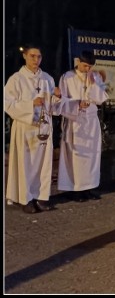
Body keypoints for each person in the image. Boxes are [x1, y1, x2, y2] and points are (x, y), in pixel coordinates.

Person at [4, 44, 63, 213]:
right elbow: (7, 103)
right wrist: (30, 104)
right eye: (32, 56)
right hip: (25, 127)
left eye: (38, 57)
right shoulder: (16, 79)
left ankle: (42, 197)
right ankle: (26, 199)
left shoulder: (47, 79)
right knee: (26, 164)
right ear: (25, 56)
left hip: (43, 127)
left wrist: (57, 97)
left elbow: (54, 108)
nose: (36, 60)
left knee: (43, 164)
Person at [57, 50, 109, 202]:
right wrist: (77, 104)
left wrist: (93, 84)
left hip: (91, 121)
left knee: (92, 155)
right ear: (78, 62)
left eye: (90, 66)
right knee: (75, 157)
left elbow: (101, 99)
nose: (87, 69)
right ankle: (75, 189)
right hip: (75, 121)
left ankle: (89, 187)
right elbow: (61, 101)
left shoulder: (96, 77)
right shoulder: (67, 77)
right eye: (85, 66)